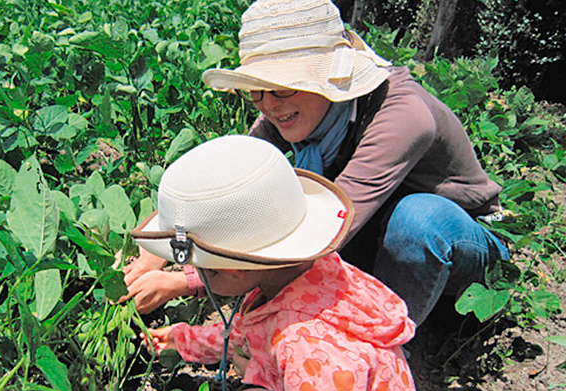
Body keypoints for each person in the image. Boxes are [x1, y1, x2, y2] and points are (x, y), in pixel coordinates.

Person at [121, 0, 508, 326]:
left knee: (417, 219)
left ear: (327, 78)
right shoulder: (290, 106)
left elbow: (328, 236)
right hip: (372, 231)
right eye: (255, 91)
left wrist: (186, 278)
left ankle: (385, 347)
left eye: (281, 86)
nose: (269, 103)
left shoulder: (402, 115)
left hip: (461, 244)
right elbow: (224, 186)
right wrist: (159, 250)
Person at [132, 135, 419, 391]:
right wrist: (182, 338)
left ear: (232, 272)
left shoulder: (304, 342)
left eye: (205, 271)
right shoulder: (309, 273)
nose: (201, 278)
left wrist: (262, 374)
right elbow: (246, 333)